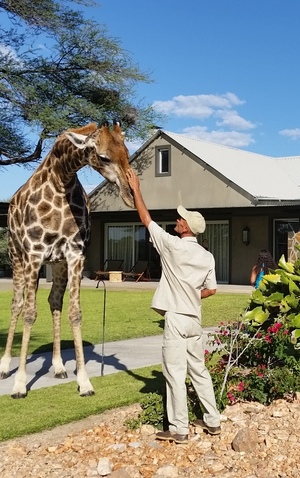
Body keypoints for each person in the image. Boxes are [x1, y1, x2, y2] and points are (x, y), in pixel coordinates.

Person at [125, 169, 222, 444]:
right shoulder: (207, 256)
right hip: (195, 320)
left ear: (187, 228)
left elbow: (146, 219)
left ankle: (179, 429)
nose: (178, 220)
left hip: (177, 319)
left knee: (175, 374)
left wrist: (136, 189)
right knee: (199, 371)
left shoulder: (172, 246)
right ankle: (212, 421)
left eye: (181, 219)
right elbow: (211, 289)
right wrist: (191, 294)